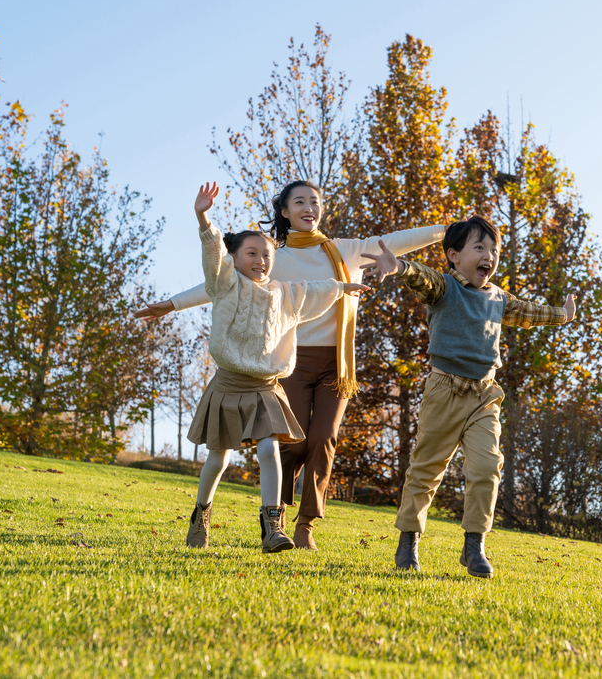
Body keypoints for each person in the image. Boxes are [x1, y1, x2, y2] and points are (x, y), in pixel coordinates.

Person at [136, 180, 445, 549]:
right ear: (284, 211)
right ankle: (237, 514)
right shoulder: (271, 255)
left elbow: (390, 243)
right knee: (272, 449)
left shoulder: (347, 252)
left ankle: (295, 527)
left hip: (326, 365)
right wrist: (171, 303)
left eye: (315, 200)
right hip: (278, 365)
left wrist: (448, 230)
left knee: (318, 439)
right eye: (299, 201)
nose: (308, 207)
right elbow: (219, 282)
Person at [360, 215, 577, 578]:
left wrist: (563, 315)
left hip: (484, 395)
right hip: (444, 390)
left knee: (487, 467)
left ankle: (474, 545)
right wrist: (397, 266)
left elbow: (530, 312)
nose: (488, 255)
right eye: (479, 247)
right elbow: (421, 276)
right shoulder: (445, 288)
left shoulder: (498, 298)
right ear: (454, 256)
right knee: (427, 469)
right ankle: (408, 542)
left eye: (493, 249)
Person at [177, 181, 368, 553]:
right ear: (234, 259)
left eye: (266, 255)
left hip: (265, 386)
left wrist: (340, 288)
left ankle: (273, 528)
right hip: (229, 384)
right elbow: (213, 250)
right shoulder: (224, 283)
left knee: (268, 450)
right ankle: (201, 514)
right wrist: (203, 216)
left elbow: (311, 290)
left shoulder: (280, 292)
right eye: (251, 254)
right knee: (218, 459)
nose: (261, 261)